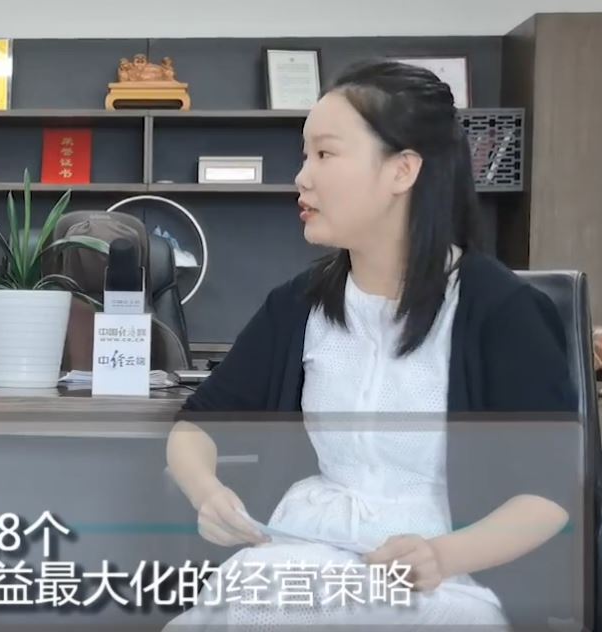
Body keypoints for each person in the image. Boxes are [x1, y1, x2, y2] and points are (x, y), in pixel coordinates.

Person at [165, 60, 576, 628]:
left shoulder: (501, 309)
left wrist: (441, 557)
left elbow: (550, 495)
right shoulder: (298, 304)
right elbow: (195, 426)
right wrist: (207, 493)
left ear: (402, 170)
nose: (302, 177)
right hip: (306, 547)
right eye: (305, 155)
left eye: (325, 154)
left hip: (448, 571)